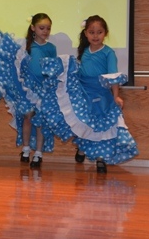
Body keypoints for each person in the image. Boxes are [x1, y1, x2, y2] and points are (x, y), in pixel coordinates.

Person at [41, 15, 138, 173]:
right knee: (83, 123)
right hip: (84, 94)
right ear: (86, 33)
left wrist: (116, 96)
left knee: (100, 127)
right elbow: (81, 73)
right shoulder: (85, 51)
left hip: (102, 95)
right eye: (92, 32)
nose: (95, 36)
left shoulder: (108, 53)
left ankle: (100, 158)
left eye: (99, 32)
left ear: (105, 33)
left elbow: (113, 77)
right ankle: (82, 148)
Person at [18, 13, 57, 169]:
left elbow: (53, 69)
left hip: (44, 89)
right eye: (42, 28)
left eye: (48, 28)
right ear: (33, 28)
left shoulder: (51, 48)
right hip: (28, 88)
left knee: (40, 120)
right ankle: (26, 148)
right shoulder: (27, 47)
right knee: (28, 117)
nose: (45, 31)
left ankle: (38, 153)